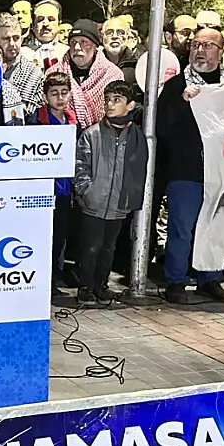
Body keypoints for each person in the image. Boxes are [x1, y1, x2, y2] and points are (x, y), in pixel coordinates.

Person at [156, 27, 224, 304]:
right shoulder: (176, 85)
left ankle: (210, 278)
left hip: (222, 169)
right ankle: (176, 280)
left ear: (221, 52)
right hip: (186, 170)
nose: (200, 51)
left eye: (208, 45)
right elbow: (161, 127)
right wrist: (182, 102)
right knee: (182, 228)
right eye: (195, 45)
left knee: (215, 226)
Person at [73, 80, 145, 306]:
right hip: (94, 202)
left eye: (117, 100)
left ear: (130, 105)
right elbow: (80, 165)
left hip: (119, 203)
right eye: (107, 100)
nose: (110, 105)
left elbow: (139, 169)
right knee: (91, 247)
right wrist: (87, 191)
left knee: (108, 248)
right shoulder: (92, 134)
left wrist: (130, 197)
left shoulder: (136, 136)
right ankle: (85, 287)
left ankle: (101, 285)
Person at [26, 73, 76, 297]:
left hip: (65, 190)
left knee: (59, 236)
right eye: (54, 93)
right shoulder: (36, 120)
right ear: (45, 96)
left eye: (64, 93)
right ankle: (39, 279)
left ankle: (55, 276)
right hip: (43, 190)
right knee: (41, 237)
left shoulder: (73, 121)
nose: (60, 98)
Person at [46, 19, 124, 130]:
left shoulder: (112, 75)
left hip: (102, 135)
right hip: (61, 134)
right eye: (73, 42)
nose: (77, 47)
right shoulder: (54, 73)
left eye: (84, 42)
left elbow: (119, 113)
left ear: (95, 46)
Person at [0, 13, 43, 116]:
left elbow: (31, 114)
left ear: (21, 39)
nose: (12, 43)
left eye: (16, 38)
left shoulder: (33, 74)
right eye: (6, 39)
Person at [28, 0, 69, 69]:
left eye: (51, 19)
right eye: (40, 20)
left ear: (59, 24)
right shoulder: (22, 54)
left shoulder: (68, 52)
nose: (45, 24)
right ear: (33, 26)